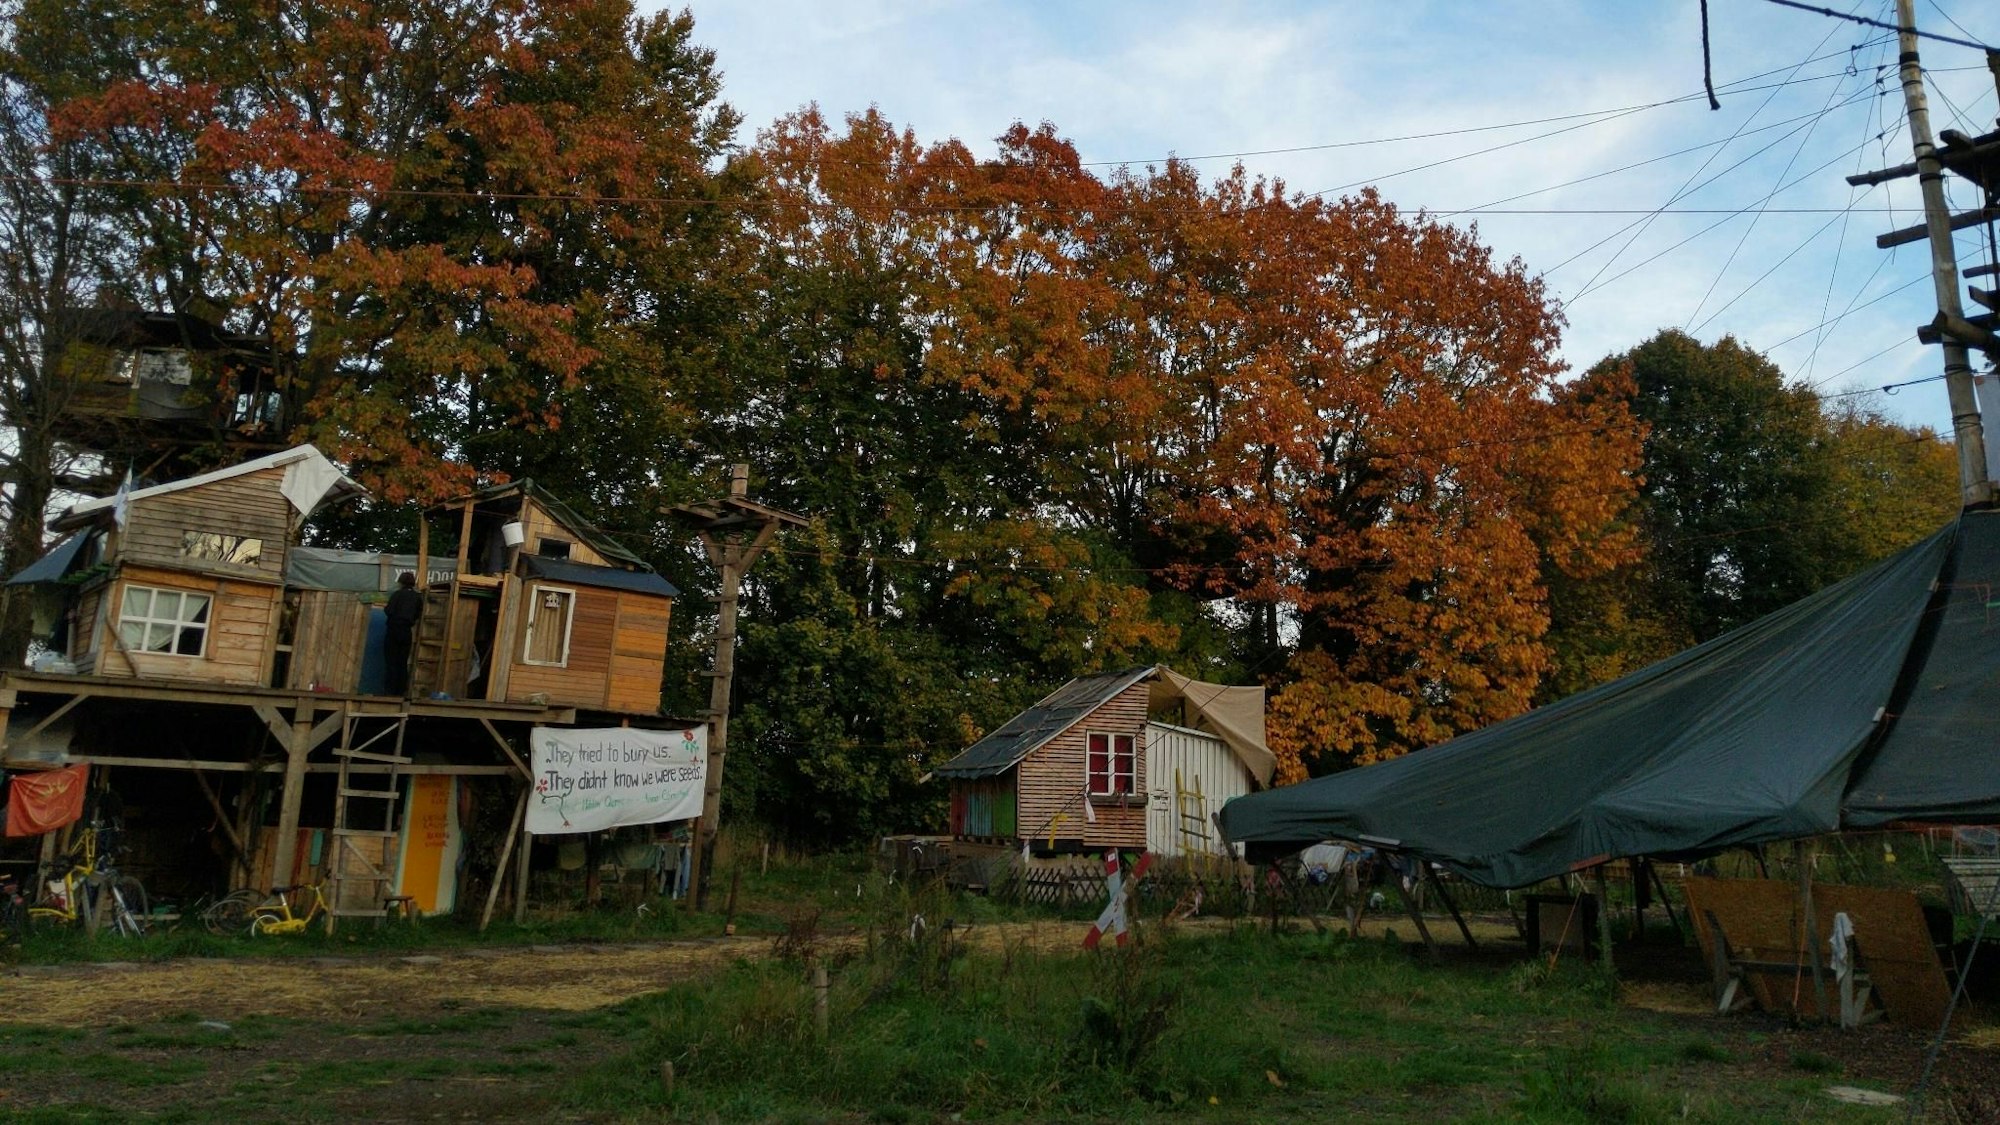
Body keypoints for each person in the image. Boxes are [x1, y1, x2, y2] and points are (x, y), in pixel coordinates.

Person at [383, 571, 423, 696]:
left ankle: (391, 691)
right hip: (406, 632)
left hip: (394, 630)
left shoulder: (397, 595)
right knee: (402, 662)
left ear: (401, 582)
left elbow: (389, 610)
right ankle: (401, 691)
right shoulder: (417, 597)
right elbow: (418, 614)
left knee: (391, 661)